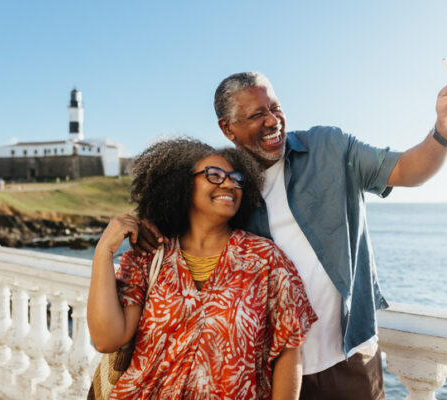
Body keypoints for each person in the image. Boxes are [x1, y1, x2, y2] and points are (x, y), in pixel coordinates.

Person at [135, 65, 447, 399]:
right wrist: (144, 224)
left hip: (348, 359)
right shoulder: (229, 188)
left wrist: (445, 131)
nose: (272, 121)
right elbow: (186, 229)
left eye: (276, 108)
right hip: (269, 373)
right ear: (228, 129)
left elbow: (407, 169)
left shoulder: (329, 147)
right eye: (256, 115)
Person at [87, 138, 318, 399]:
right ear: (183, 184)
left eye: (236, 178)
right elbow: (106, 339)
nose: (229, 183)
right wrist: (104, 251)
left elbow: (289, 350)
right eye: (215, 175)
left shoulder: (266, 260)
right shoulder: (149, 258)